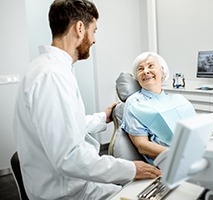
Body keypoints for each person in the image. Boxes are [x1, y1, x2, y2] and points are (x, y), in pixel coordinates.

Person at [13, 1, 161, 199]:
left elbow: (63, 126)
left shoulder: (47, 69)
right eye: (94, 31)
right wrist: (131, 169)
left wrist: (102, 118)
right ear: (80, 28)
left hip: (77, 184)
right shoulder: (52, 76)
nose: (94, 40)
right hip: (67, 193)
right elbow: (69, 157)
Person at [121, 52, 196, 165]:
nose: (146, 71)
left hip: (193, 152)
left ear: (162, 72)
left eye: (151, 66)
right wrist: (178, 154)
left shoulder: (178, 99)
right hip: (170, 161)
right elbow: (142, 145)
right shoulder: (134, 103)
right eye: (140, 69)